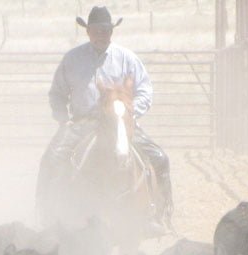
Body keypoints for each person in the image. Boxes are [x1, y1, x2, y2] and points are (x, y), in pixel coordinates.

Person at [36, 6, 173, 233]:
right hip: (82, 122)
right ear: (88, 31)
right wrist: (63, 119)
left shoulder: (127, 58)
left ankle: (157, 214)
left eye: (106, 30)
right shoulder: (72, 59)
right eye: (97, 30)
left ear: (112, 31)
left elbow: (145, 90)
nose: (102, 34)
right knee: (51, 158)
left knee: (160, 158)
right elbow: (57, 94)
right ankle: (47, 213)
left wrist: (128, 112)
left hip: (120, 121)